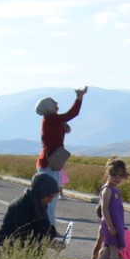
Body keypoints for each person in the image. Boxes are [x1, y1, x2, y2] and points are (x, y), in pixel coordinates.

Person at [35, 87, 87, 222]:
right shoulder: (52, 119)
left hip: (51, 163)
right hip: (49, 164)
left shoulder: (51, 119)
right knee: (50, 199)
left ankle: (48, 227)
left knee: (51, 198)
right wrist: (79, 98)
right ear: (48, 106)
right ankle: (49, 228)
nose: (57, 103)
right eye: (54, 102)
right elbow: (73, 113)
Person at [91, 157, 130, 259]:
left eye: (120, 175)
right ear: (107, 173)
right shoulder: (107, 190)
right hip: (110, 224)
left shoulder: (116, 190)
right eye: (113, 175)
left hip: (116, 223)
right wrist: (110, 226)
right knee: (114, 250)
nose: (117, 178)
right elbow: (104, 210)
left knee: (107, 249)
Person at [0, 172, 61, 247]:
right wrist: (49, 243)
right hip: (8, 248)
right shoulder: (22, 205)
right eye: (49, 196)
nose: (51, 200)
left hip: (26, 248)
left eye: (53, 197)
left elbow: (42, 227)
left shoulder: (39, 203)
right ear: (42, 192)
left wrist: (52, 235)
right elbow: (23, 235)